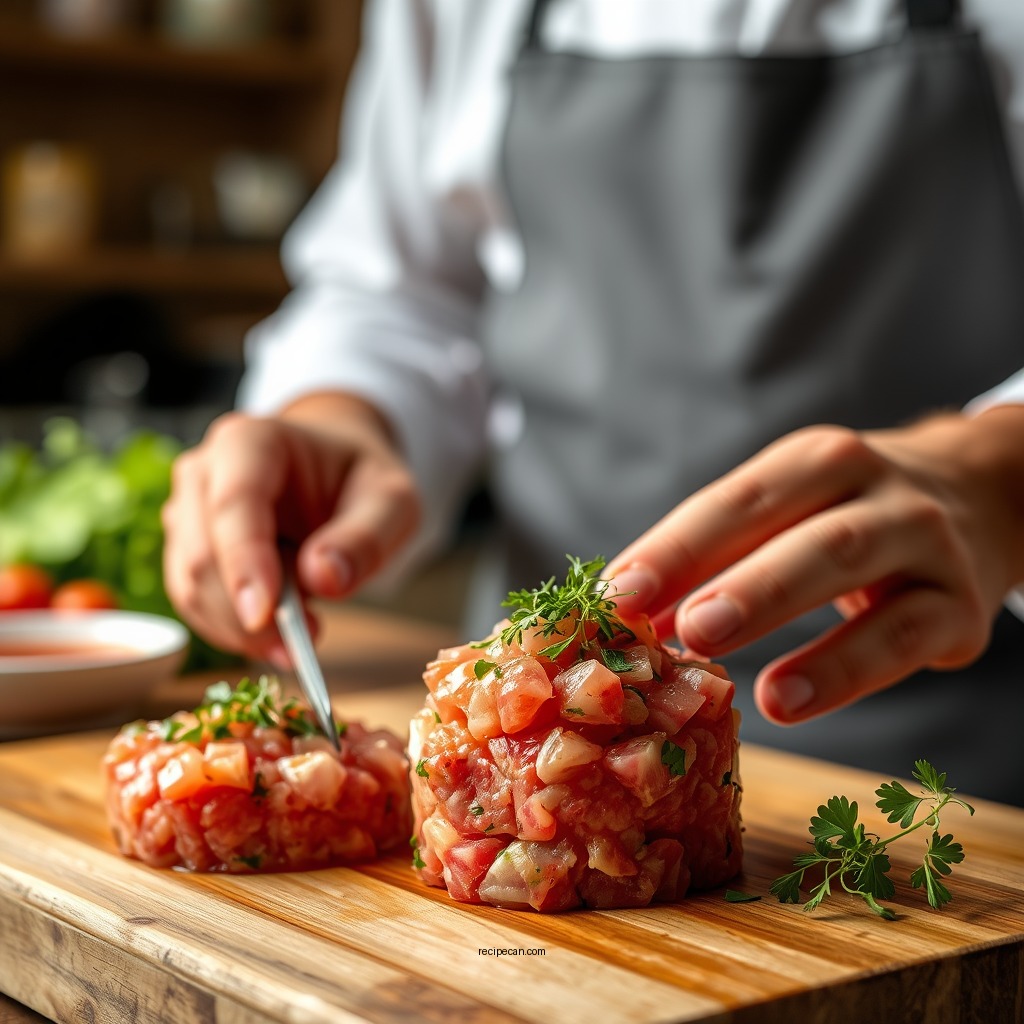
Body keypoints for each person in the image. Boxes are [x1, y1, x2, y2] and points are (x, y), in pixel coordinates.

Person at [162, 0, 1024, 805]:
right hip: (528, 748)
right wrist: (340, 413)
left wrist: (998, 477)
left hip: (971, 778)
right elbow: (405, 286)